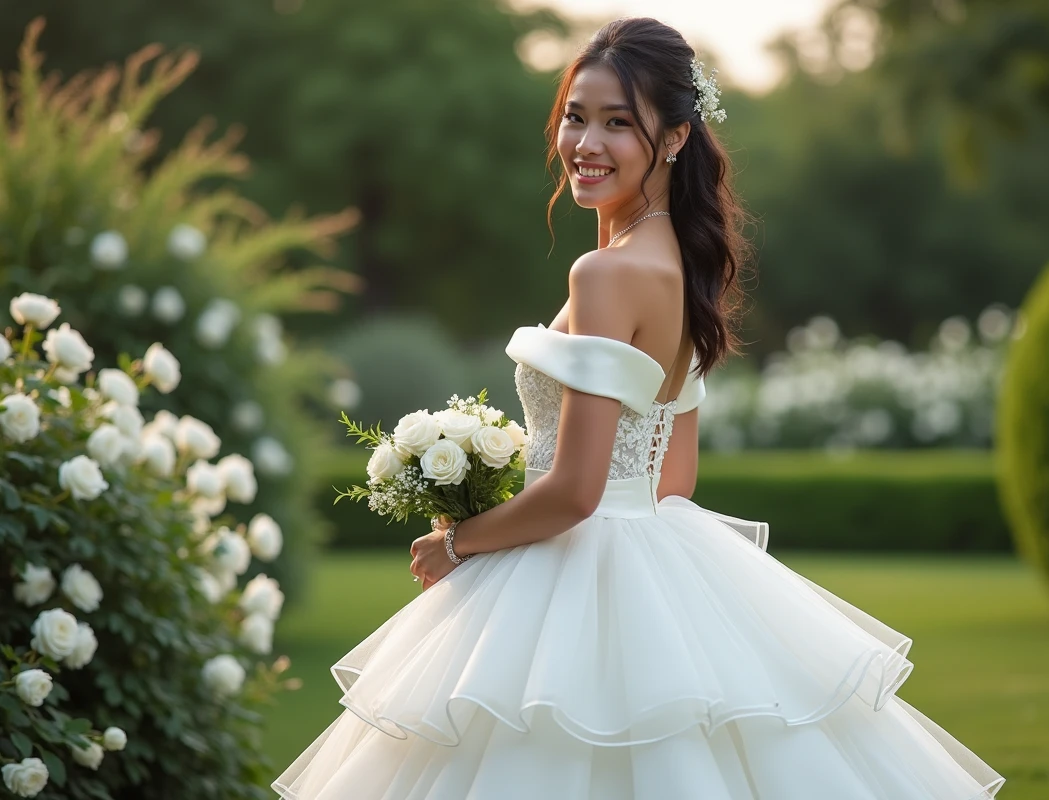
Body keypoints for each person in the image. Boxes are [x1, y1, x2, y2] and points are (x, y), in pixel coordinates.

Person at [272, 17, 1005, 799]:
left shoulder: (605, 275)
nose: (586, 143)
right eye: (575, 117)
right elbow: (673, 476)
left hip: (570, 556)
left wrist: (458, 543)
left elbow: (576, 491)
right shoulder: (682, 267)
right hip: (645, 554)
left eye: (618, 123)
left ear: (677, 137)